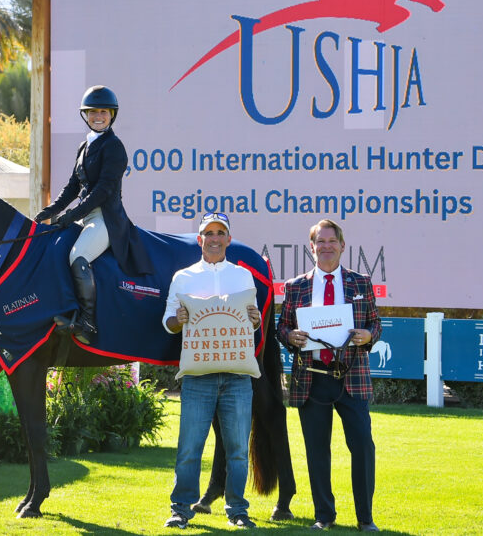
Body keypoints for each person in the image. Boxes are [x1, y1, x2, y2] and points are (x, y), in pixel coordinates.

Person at [277, 219, 382, 532]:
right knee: (316, 450)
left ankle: (366, 518)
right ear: (312, 248)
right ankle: (324, 515)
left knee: (363, 446)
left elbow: (375, 323)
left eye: (331, 241)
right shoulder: (296, 286)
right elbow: (282, 326)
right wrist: (289, 335)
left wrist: (369, 335)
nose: (326, 247)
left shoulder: (361, 283)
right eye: (320, 242)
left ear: (342, 245)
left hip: (351, 376)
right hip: (311, 377)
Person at [161, 212, 260, 529]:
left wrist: (255, 320)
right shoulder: (183, 277)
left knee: (238, 451)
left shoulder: (243, 277)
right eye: (208, 233)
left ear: (229, 239)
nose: (214, 238)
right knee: (189, 449)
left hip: (237, 377)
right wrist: (177, 320)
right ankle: (180, 509)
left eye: (220, 233)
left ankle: (238, 511)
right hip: (198, 378)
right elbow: (168, 322)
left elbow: (250, 323)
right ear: (199, 239)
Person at [34, 84, 152, 344]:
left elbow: (102, 191)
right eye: (93, 112)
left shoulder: (114, 147)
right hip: (85, 215)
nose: (98, 116)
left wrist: (71, 215)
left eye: (103, 112)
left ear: (112, 115)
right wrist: (52, 209)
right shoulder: (84, 146)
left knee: (78, 256)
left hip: (105, 218)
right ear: (85, 115)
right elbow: (72, 186)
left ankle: (87, 322)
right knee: (55, 249)